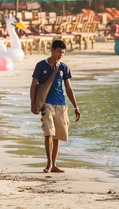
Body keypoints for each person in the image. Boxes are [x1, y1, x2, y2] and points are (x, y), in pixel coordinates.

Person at [30, 40, 81, 173]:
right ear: (52, 50)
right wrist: (32, 103)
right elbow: (33, 85)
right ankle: (49, 163)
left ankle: (54, 164)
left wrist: (76, 107)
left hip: (61, 105)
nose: (60, 55)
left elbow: (69, 89)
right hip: (46, 104)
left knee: (57, 135)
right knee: (48, 133)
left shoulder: (64, 67)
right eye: (58, 51)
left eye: (63, 53)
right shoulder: (41, 66)